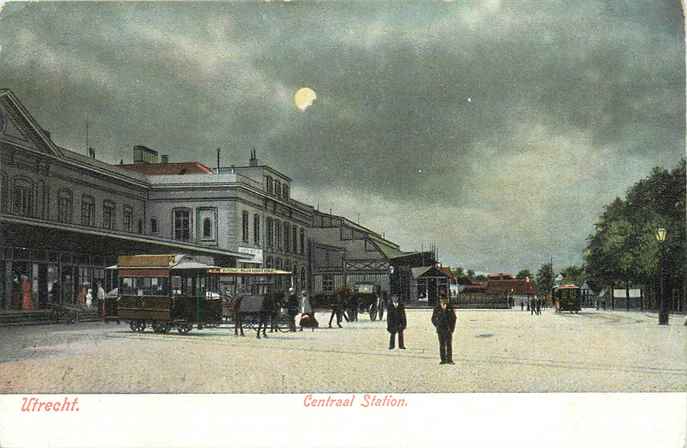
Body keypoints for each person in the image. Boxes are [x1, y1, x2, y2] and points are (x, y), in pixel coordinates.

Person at [431, 296, 456, 364]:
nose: (443, 300)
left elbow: (454, 318)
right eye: (442, 299)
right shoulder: (437, 308)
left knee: (449, 345)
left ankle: (449, 359)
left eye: (445, 299)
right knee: (442, 345)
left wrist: (452, 328)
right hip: (440, 329)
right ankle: (443, 360)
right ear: (440, 300)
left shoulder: (450, 307)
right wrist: (437, 325)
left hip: (448, 329)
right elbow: (433, 318)